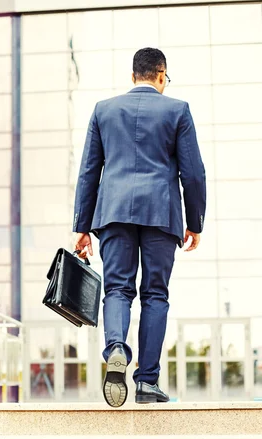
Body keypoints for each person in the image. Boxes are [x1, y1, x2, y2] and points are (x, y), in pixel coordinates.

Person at [73, 47, 206, 407]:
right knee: (155, 295)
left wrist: (81, 227)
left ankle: (116, 345)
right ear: (161, 76)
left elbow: (89, 172)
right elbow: (193, 174)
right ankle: (147, 382)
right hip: (161, 214)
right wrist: (195, 223)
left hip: (113, 212)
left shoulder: (103, 110)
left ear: (133, 76)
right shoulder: (178, 110)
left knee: (116, 289)